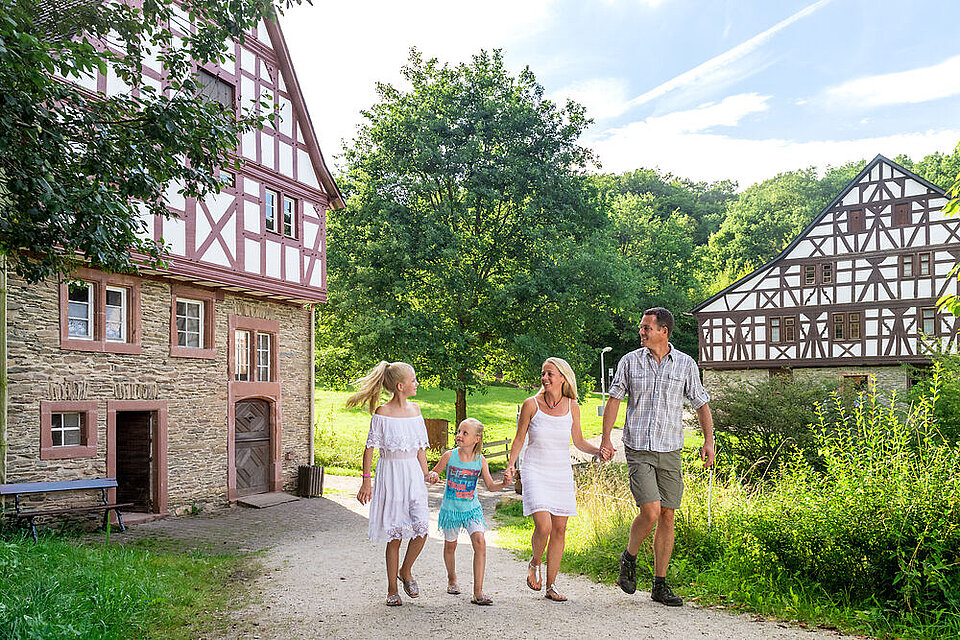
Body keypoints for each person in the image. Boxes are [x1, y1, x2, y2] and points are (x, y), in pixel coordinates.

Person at [599, 307, 715, 607]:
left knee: (667, 514)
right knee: (650, 511)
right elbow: (614, 400)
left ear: (664, 331)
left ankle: (659, 585)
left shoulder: (685, 365)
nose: (642, 332)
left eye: (646, 327)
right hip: (638, 447)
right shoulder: (630, 362)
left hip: (671, 449)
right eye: (642, 327)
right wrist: (606, 439)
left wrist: (708, 441)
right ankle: (629, 557)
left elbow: (701, 403)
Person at [505, 357, 602, 602]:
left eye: (550, 374)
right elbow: (518, 440)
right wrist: (509, 466)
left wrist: (598, 451)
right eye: (543, 373)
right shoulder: (531, 405)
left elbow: (578, 441)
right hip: (535, 469)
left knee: (560, 529)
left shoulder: (573, 406)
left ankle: (552, 585)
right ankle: (535, 562)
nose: (545, 378)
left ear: (563, 378)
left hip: (560, 472)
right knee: (545, 525)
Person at [351, 361, 432, 607]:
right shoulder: (382, 413)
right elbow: (369, 449)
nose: (416, 383)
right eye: (413, 380)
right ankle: (392, 589)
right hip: (391, 474)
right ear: (400, 386)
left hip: (413, 475)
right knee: (395, 535)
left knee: (422, 529)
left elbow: (420, 449)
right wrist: (366, 482)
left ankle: (405, 571)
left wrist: (427, 474)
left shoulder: (416, 410)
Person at [429, 418, 514, 605]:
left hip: (472, 509)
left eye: (464, 433)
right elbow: (433, 473)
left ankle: (478, 592)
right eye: (458, 431)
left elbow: (491, 486)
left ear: (477, 438)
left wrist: (504, 484)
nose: (459, 435)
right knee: (450, 546)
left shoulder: (480, 461)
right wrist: (434, 476)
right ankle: (452, 578)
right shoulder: (449, 456)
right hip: (451, 509)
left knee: (480, 542)